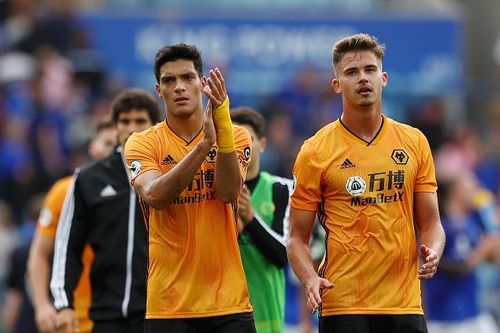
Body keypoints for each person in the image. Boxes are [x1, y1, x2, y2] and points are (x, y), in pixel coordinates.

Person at [286, 33, 446, 333]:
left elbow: (432, 224)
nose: (363, 78)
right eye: (351, 72)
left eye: (370, 70)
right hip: (343, 304)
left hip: (403, 303)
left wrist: (433, 250)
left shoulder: (414, 142)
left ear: (383, 78)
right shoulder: (315, 150)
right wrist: (309, 278)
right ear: (337, 85)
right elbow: (296, 238)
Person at [124, 43, 255, 333]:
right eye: (169, 81)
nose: (179, 87)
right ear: (159, 90)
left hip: (229, 303)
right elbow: (155, 196)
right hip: (168, 306)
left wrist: (220, 130)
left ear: (202, 84)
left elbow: (228, 192)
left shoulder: (237, 136)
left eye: (187, 78)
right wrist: (203, 146)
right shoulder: (142, 142)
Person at [50, 88, 161, 333]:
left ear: (155, 126)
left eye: (140, 121)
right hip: (107, 314)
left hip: (161, 313)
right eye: (125, 121)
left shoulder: (171, 174)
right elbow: (68, 245)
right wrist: (63, 303)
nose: (132, 127)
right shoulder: (89, 178)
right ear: (116, 126)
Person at [27, 120, 117, 333]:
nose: (114, 151)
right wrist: (41, 305)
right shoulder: (63, 192)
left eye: (118, 144)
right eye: (107, 143)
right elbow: (39, 254)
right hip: (75, 319)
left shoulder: (142, 192)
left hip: (126, 317)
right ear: (93, 147)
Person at [231, 107, 293, 333]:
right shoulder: (213, 193)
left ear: (262, 144)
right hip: (223, 315)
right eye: (232, 138)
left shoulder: (281, 189)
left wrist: (250, 218)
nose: (240, 145)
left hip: (267, 318)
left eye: (247, 138)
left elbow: (282, 256)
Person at [424, 173, 500, 333]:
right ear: (457, 191)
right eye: (472, 187)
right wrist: (483, 249)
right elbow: (455, 268)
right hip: (446, 317)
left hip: (472, 313)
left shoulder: (472, 224)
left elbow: (495, 259)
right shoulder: (442, 228)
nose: (477, 191)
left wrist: (491, 223)